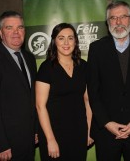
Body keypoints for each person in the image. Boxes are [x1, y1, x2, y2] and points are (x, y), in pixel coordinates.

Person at [87, 1, 130, 161]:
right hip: (106, 132)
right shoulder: (96, 49)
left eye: (123, 17)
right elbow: (93, 92)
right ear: (108, 22)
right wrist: (107, 123)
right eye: (113, 18)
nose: (118, 22)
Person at [0, 11, 38, 160]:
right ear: (0, 33)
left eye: (20, 27)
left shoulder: (29, 58)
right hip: (5, 146)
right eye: (9, 28)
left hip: (27, 140)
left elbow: (32, 98)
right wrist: (1, 144)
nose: (16, 32)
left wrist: (36, 130)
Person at [35, 23, 94, 161]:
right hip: (54, 132)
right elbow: (40, 106)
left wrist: (89, 131)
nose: (66, 42)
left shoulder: (83, 66)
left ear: (76, 41)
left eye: (70, 38)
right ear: (54, 41)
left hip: (79, 131)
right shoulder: (46, 68)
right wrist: (50, 140)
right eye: (61, 38)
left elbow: (88, 100)